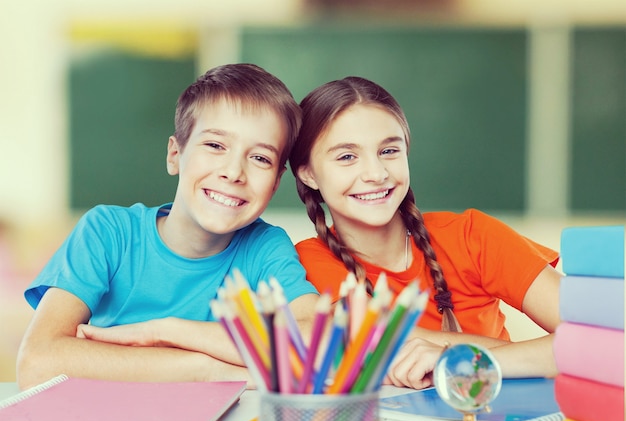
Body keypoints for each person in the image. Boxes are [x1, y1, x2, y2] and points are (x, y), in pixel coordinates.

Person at [16, 63, 319, 390]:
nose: (234, 172)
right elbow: (37, 362)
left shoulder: (265, 246)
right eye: (215, 146)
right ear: (175, 155)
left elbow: (317, 344)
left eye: (260, 158)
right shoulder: (109, 232)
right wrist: (205, 370)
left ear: (275, 183)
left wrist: (166, 331)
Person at [289, 76, 561, 390]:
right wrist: (537, 354)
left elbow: (608, 339)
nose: (376, 174)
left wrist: (454, 356)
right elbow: (371, 341)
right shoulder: (305, 267)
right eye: (347, 157)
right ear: (308, 173)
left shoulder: (472, 236)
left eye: (389, 150)